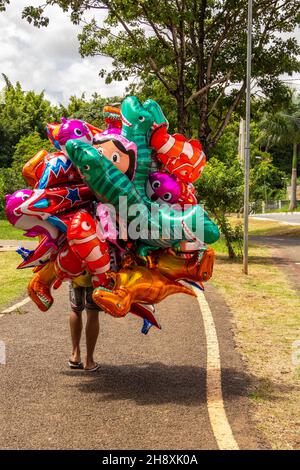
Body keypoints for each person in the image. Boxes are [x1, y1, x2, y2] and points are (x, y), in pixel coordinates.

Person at [68, 272, 101, 372]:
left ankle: (75, 355)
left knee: (75, 310)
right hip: (95, 271)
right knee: (93, 313)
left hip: (75, 271)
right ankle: (89, 361)